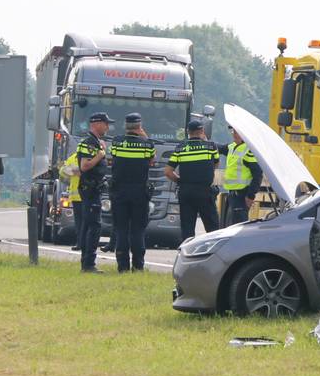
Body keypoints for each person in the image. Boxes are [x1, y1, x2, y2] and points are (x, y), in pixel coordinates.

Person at [108, 112, 156, 272]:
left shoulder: (116, 142)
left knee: (121, 229)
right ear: (139, 126)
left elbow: (113, 158)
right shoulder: (147, 144)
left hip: (119, 191)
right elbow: (151, 161)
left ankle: (122, 266)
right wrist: (145, 136)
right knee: (138, 229)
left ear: (125, 126)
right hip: (139, 192)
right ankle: (138, 265)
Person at [166, 119, 221, 243]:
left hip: (186, 192)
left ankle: (187, 251)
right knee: (212, 228)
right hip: (205, 192)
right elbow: (216, 164)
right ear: (202, 131)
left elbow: (168, 171)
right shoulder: (211, 147)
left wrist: (180, 180)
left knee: (187, 229)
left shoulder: (180, 148)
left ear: (188, 132)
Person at [75, 112, 112, 272]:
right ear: (97, 124)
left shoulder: (95, 142)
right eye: (105, 123)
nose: (107, 127)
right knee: (94, 226)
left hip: (93, 188)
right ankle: (89, 264)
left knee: (89, 225)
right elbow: (84, 166)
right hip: (90, 189)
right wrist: (99, 155)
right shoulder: (88, 142)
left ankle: (87, 262)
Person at [219, 126, 263, 227]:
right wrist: (204, 142)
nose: (233, 134)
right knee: (232, 226)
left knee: (239, 227)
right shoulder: (232, 147)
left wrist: (251, 195)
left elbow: (257, 175)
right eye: (233, 131)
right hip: (233, 194)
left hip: (241, 195)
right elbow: (220, 148)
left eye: (236, 132)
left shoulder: (248, 150)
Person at [58, 150, 83, 250]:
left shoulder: (74, 158)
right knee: (81, 222)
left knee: (83, 222)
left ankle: (82, 242)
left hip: (84, 196)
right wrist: (76, 171)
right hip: (80, 196)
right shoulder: (74, 158)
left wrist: (75, 171)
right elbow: (62, 171)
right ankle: (81, 242)